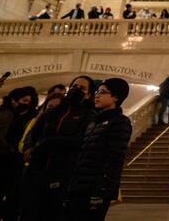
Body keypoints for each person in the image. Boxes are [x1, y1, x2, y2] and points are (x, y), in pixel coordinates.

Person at [22, 81, 93, 220]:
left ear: (89, 94)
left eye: (82, 88)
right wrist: (29, 147)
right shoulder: (53, 111)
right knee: (28, 211)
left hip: (62, 172)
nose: (76, 90)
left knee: (52, 212)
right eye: (74, 86)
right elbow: (34, 132)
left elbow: (78, 141)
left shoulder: (87, 116)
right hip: (37, 169)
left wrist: (47, 142)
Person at [67, 78, 131, 221]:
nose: (97, 95)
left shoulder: (120, 122)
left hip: (96, 189)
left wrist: (101, 189)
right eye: (96, 91)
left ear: (115, 97)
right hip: (79, 186)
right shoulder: (94, 122)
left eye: (102, 92)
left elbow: (115, 158)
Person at [0, 87, 36, 220]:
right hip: (3, 159)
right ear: (15, 100)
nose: (26, 103)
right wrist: (11, 149)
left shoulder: (10, 112)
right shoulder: (8, 113)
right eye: (24, 100)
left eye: (28, 101)